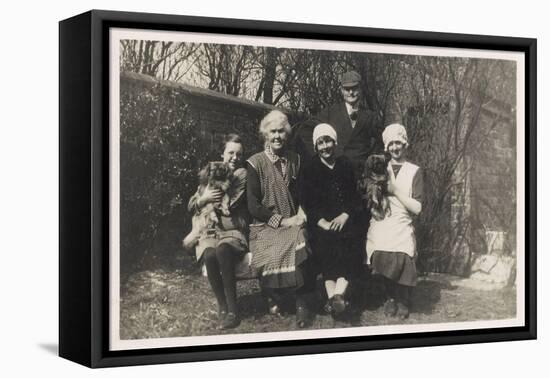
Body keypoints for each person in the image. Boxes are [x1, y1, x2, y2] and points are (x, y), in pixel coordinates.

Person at [246, 110, 315, 328]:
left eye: (281, 132)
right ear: (265, 134)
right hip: (265, 225)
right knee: (274, 248)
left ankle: (302, 304)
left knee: (301, 239)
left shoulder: (296, 159)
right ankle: (274, 296)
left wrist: (302, 211)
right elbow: (253, 206)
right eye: (272, 132)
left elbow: (305, 191)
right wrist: (281, 221)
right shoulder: (255, 163)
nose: (277, 136)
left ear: (287, 134)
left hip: (293, 220)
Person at [186, 134, 249, 329]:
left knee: (222, 249)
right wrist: (203, 199)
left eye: (239, 154)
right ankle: (222, 305)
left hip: (233, 230)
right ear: (222, 153)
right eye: (230, 152)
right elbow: (191, 205)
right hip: (211, 232)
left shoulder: (241, 175)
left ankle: (233, 310)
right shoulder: (211, 174)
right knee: (209, 254)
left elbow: (233, 201)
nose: (234, 157)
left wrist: (211, 197)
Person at [300, 123, 362, 319]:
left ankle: (334, 298)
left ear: (335, 143)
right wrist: (322, 222)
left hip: (346, 220)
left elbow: (355, 197)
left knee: (350, 245)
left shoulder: (345, 165)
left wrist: (345, 215)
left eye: (328, 141)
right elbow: (307, 203)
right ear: (316, 146)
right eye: (321, 142)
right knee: (326, 249)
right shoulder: (310, 168)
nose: (325, 146)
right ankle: (337, 299)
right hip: (322, 223)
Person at [365, 123, 423, 319]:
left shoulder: (414, 171)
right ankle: (390, 296)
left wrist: (395, 190)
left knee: (403, 247)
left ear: (405, 144)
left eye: (398, 143)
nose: (395, 148)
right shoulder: (380, 166)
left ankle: (403, 299)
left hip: (403, 218)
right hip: (382, 217)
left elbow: (417, 207)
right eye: (391, 144)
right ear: (386, 147)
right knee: (379, 244)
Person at [294, 70, 382, 179]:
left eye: (354, 88)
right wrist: (318, 154)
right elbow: (305, 130)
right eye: (347, 89)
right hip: (335, 171)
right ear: (341, 90)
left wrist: (371, 161)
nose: (351, 92)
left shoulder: (370, 116)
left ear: (360, 89)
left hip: (360, 175)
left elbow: (381, 141)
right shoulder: (331, 112)